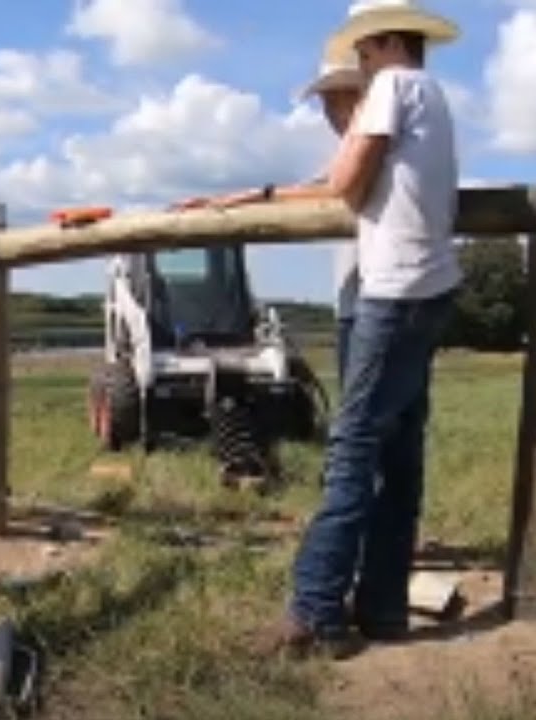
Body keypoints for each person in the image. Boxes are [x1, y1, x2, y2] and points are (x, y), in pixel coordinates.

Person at [261, 0, 463, 658]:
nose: (362, 65)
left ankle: (315, 612)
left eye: (363, 53)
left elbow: (346, 183)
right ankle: (382, 608)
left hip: (394, 287)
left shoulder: (391, 88)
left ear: (379, 44)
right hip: (431, 286)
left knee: (350, 449)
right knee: (399, 453)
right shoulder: (432, 93)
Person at [170, 59, 365, 381]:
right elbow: (305, 191)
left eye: (338, 98)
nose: (331, 112)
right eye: (327, 102)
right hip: (358, 304)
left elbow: (330, 191)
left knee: (364, 419)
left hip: (373, 306)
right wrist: (226, 201)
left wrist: (247, 197)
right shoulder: (350, 153)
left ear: (360, 99)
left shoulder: (375, 149)